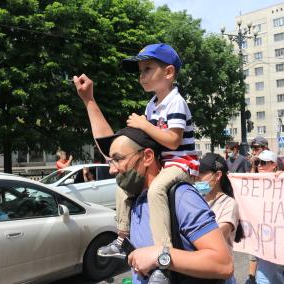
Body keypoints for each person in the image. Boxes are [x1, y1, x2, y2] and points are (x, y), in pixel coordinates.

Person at [73, 43, 198, 270]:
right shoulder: (152, 105)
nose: (142, 76)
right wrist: (89, 100)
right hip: (165, 163)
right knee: (122, 186)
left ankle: (163, 251)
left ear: (169, 72)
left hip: (181, 162)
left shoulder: (176, 102)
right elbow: (120, 145)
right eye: (140, 71)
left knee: (158, 189)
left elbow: (172, 140)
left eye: (147, 69)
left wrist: (143, 124)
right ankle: (122, 237)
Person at [102, 127, 233, 283]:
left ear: (147, 157)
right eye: (110, 161)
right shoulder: (134, 198)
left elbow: (224, 264)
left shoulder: (181, 197)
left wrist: (161, 256)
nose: (111, 169)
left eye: (118, 159)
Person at [195, 152, 244, 284]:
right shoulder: (197, 199)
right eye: (196, 172)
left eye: (202, 173)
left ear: (217, 175)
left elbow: (218, 237)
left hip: (219, 277)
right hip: (198, 272)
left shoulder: (229, 204)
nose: (197, 178)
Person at [251, 150, 284, 284]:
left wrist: (283, 178)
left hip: (275, 236)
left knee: (262, 278)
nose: (259, 165)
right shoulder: (254, 180)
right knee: (271, 273)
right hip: (259, 235)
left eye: (263, 162)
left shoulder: (281, 180)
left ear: (273, 165)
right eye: (258, 162)